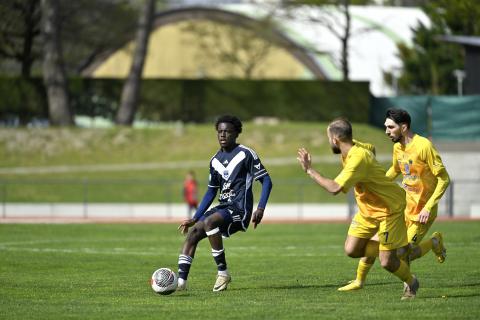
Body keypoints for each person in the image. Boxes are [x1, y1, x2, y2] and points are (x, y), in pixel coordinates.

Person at [297, 118, 419, 300]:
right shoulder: (357, 147)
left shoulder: (357, 158)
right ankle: (398, 248)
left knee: (387, 262)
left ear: (336, 139)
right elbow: (372, 148)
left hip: (389, 209)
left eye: (328, 137)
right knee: (351, 250)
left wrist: (309, 170)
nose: (329, 141)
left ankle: (411, 281)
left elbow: (334, 188)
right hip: (368, 211)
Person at [338, 108, 449, 291]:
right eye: (386, 127)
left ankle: (433, 243)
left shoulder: (424, 146)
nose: (386, 131)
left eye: (390, 127)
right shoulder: (398, 147)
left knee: (404, 253)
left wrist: (428, 207)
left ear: (403, 127)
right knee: (378, 241)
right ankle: (359, 281)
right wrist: (378, 185)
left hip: (421, 212)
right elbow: (396, 170)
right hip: (402, 206)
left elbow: (444, 179)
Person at [176, 115, 273, 292]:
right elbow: (211, 191)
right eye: (219, 131)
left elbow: (267, 181)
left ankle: (223, 273)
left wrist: (260, 208)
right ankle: (180, 283)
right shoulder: (214, 161)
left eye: (227, 131)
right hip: (223, 206)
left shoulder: (246, 154)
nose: (222, 135)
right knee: (194, 232)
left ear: (236, 134)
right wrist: (195, 217)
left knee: (210, 222)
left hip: (240, 208)